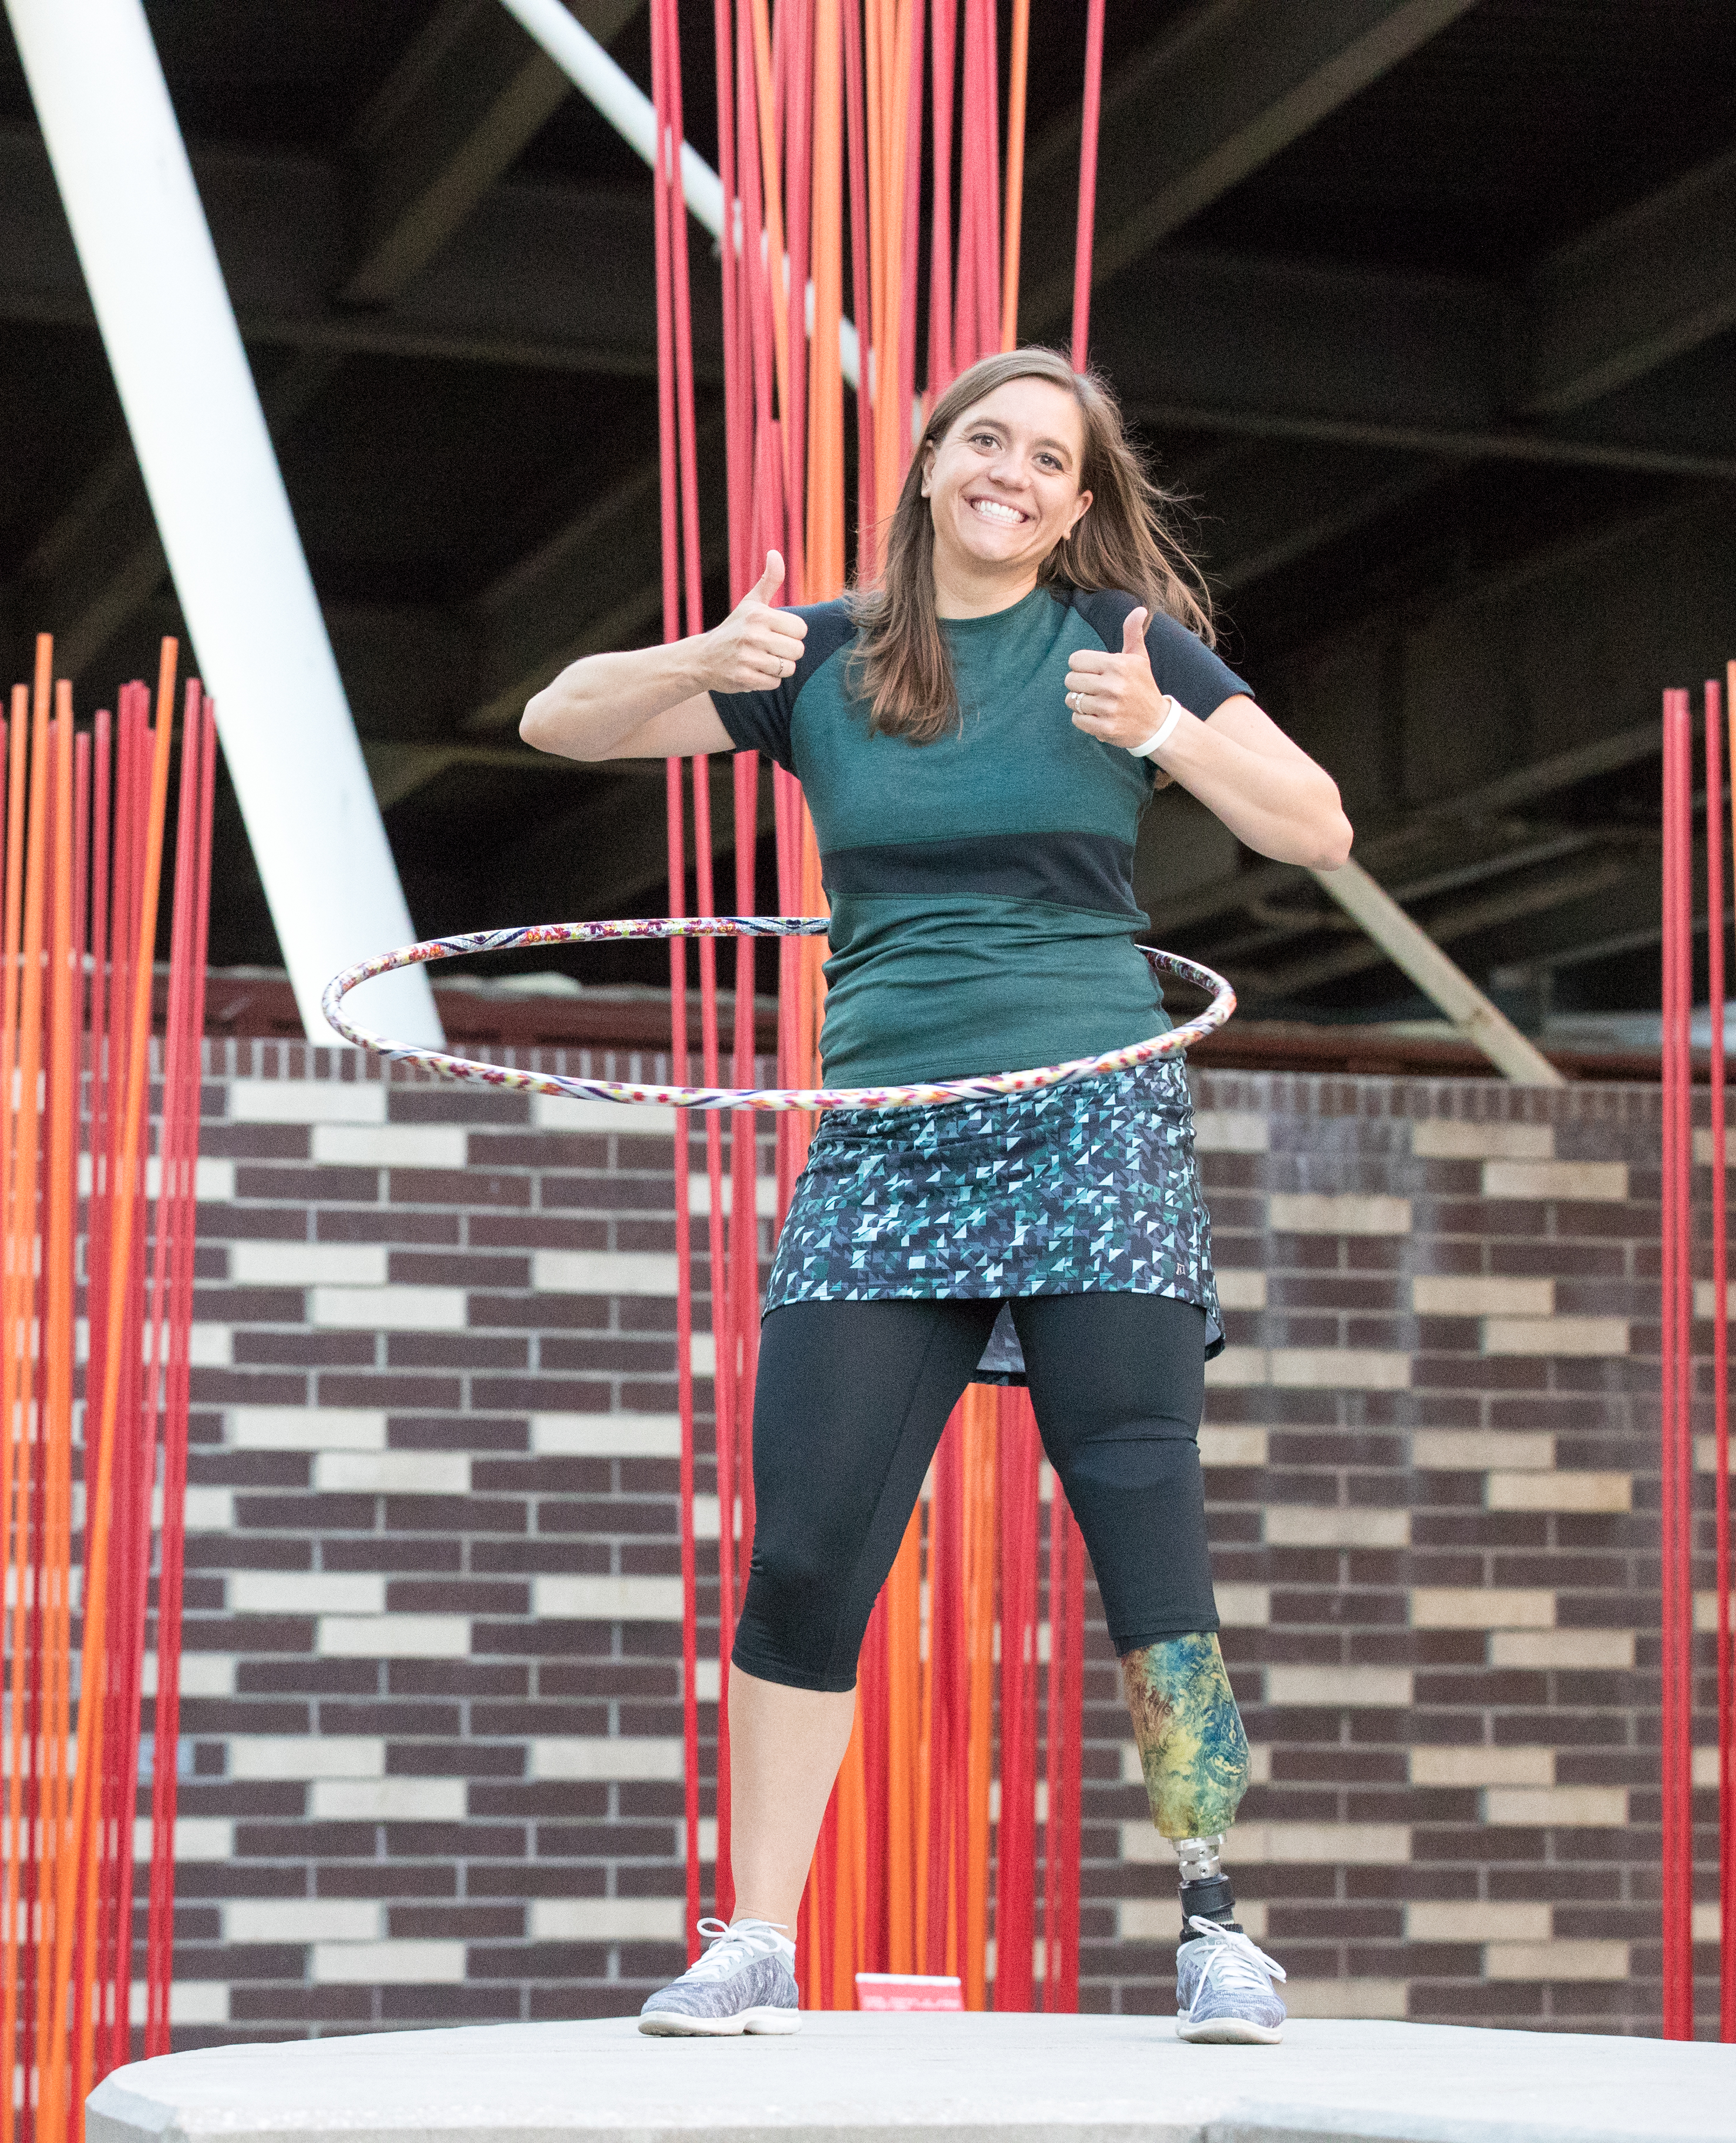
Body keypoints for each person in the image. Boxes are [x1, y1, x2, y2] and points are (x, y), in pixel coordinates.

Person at [518, 347, 1350, 2046]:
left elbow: (1317, 827)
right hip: (887, 1134)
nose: (1017, 475)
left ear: (1076, 503)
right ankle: (753, 1936)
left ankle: (1212, 1924)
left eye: (1052, 461)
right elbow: (554, 722)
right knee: (811, 1544)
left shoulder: (1119, 653)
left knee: (1145, 1530)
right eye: (990, 441)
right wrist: (708, 653)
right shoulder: (822, 654)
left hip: (1090, 1119)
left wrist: (1171, 730)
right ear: (929, 467)